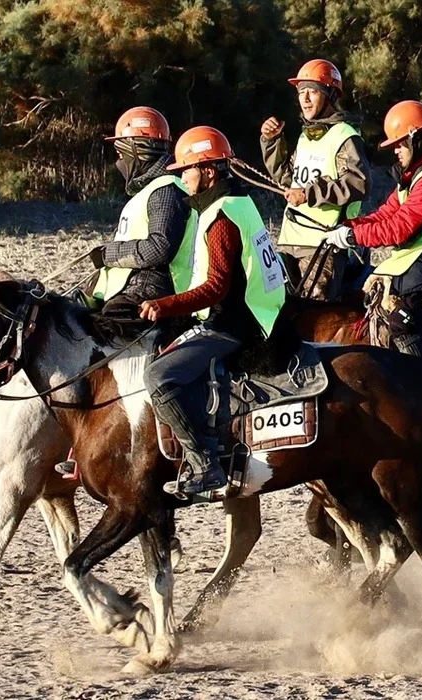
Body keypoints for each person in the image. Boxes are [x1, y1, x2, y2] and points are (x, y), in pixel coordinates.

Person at [141, 126, 287, 496]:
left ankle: (205, 465)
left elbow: (216, 287)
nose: (181, 176)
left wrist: (165, 305)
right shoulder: (238, 202)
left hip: (237, 324)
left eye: (186, 169)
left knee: (160, 376)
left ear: (208, 171)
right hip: (258, 313)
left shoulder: (220, 217)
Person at [322, 100, 422, 359]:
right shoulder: (416, 177)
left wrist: (353, 236)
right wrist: (346, 226)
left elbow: (399, 229)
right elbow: (384, 215)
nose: (396, 151)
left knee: (403, 324)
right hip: (420, 268)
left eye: (400, 144)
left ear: (417, 140)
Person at [260, 59, 370, 300]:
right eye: (301, 92)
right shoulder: (306, 137)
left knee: (315, 323)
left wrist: (309, 193)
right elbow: (287, 179)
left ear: (330, 95)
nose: (305, 99)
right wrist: (271, 142)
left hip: (324, 246)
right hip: (290, 242)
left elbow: (358, 183)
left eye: (313, 91)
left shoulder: (345, 136)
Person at [88, 107, 193, 324]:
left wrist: (108, 254)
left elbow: (160, 247)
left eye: (121, 150)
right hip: (137, 283)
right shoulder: (152, 188)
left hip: (150, 287)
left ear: (138, 150)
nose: (119, 158)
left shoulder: (166, 189)